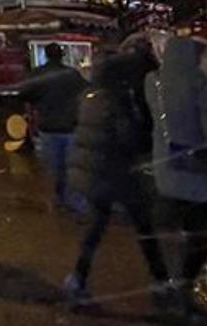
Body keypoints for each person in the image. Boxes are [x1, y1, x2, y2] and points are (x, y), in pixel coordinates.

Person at [64, 50, 173, 310]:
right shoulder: (119, 101)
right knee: (144, 227)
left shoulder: (91, 96)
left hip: (96, 173)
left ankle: (78, 279)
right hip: (117, 174)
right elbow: (130, 139)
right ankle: (161, 281)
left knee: (96, 228)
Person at [145, 35, 207, 314]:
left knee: (194, 236)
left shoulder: (153, 82)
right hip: (201, 176)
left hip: (168, 171)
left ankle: (183, 287)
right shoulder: (199, 84)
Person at [18, 42, 88, 211]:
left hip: (49, 127)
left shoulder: (38, 75)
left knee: (56, 167)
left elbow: (24, 94)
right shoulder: (72, 74)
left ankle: (61, 197)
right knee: (71, 165)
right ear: (62, 55)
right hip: (70, 126)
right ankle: (74, 201)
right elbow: (85, 93)